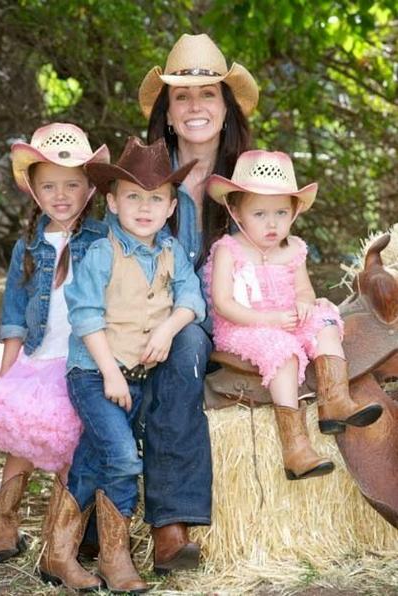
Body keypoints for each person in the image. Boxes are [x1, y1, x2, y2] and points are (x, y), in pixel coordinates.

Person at [0, 123, 109, 591]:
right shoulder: (29, 246)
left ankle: (59, 546)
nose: (61, 195)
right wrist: (5, 373)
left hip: (77, 363)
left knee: (65, 456)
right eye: (49, 185)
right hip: (37, 362)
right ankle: (4, 526)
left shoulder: (101, 239)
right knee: (20, 448)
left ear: (91, 187)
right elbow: (15, 314)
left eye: (72, 184)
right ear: (34, 191)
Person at [47, 136, 205, 593]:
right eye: (133, 196)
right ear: (112, 202)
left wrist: (167, 329)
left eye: (156, 198)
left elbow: (191, 298)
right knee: (120, 457)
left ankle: (58, 554)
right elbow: (85, 317)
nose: (144, 207)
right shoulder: (100, 252)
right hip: (95, 374)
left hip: (134, 377)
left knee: (91, 460)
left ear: (171, 207)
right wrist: (111, 373)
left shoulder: (172, 253)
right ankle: (118, 560)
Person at [130, 32, 260, 572]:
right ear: (166, 112)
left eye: (208, 93)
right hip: (142, 312)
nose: (195, 106)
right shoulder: (144, 173)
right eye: (181, 96)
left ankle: (169, 523)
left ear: (227, 107)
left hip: (226, 320)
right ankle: (95, 520)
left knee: (182, 344)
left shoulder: (250, 178)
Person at [204, 149, 383, 480]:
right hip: (245, 326)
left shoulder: (294, 249)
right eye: (259, 214)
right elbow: (223, 302)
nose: (272, 223)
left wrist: (304, 303)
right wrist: (268, 320)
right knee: (283, 353)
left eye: (281, 213)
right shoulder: (228, 250)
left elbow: (304, 291)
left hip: (286, 318)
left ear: (294, 212)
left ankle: (335, 401)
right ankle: (296, 447)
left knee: (325, 319)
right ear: (237, 212)